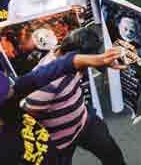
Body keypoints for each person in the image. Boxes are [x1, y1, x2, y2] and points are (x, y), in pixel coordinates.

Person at [0, 49, 124, 165]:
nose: (11, 86)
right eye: (4, 87)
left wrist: (81, 59)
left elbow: (37, 78)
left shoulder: (5, 103)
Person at [23, 28, 127, 165]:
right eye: (90, 58)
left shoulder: (64, 53)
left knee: (112, 155)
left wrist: (104, 62)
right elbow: (27, 109)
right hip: (60, 141)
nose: (92, 61)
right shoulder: (48, 81)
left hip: (85, 121)